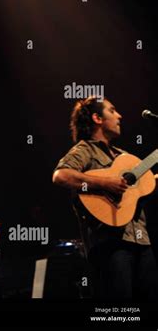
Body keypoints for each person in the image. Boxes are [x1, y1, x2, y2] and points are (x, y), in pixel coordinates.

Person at [52, 96, 158, 299]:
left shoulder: (123, 156)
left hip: (142, 242)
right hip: (110, 244)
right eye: (112, 110)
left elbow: (142, 188)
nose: (119, 116)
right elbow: (61, 176)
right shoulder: (86, 149)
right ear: (97, 118)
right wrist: (105, 183)